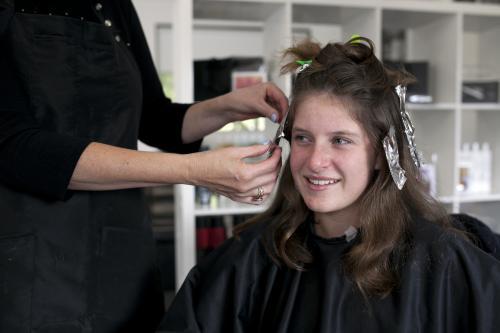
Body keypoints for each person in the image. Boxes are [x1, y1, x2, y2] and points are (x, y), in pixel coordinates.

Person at [162, 36, 500, 332]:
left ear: (384, 153)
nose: (314, 161)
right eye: (303, 138)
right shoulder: (248, 261)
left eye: (340, 140)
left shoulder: (445, 264)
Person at [0, 0, 287, 332]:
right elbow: (14, 145)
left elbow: (155, 119)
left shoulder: (114, 6)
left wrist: (228, 107)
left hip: (122, 252)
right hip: (34, 260)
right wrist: (191, 170)